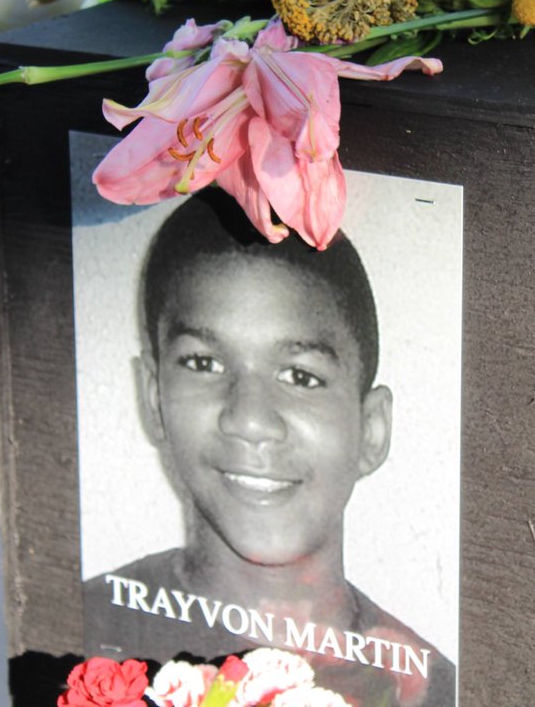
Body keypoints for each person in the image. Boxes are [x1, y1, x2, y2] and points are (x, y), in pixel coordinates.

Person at [83, 190, 456, 707]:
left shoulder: (434, 691)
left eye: (300, 376)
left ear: (370, 429)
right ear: (153, 397)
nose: (249, 420)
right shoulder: (82, 631)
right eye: (203, 364)